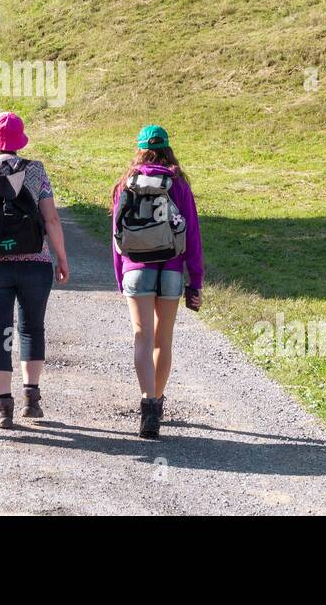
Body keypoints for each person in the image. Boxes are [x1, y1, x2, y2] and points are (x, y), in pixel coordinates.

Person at [0, 112, 70, 428]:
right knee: (32, 327)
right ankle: (31, 399)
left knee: (0, 332)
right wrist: (61, 258)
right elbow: (50, 220)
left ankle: (3, 406)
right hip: (34, 263)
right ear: (20, 142)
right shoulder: (35, 172)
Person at [111, 125, 203, 440]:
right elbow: (192, 235)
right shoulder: (178, 184)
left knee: (142, 336)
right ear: (168, 148)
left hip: (136, 267)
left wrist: (120, 276)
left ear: (139, 149)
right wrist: (196, 281)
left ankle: (148, 402)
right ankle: (158, 403)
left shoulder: (125, 183)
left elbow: (116, 236)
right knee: (164, 339)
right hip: (173, 268)